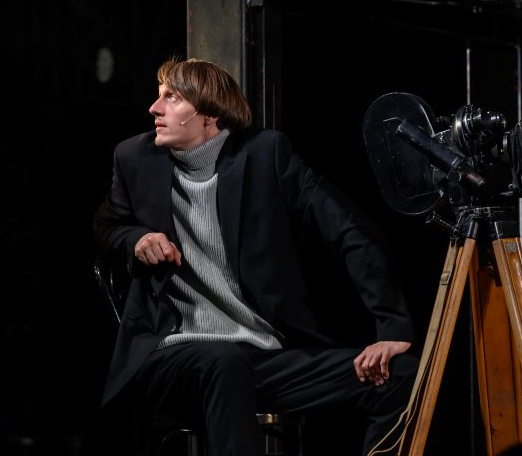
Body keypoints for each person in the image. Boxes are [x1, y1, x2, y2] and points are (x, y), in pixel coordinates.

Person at [94, 56, 417, 456]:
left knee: (401, 375)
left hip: (262, 357)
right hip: (172, 354)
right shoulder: (134, 158)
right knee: (224, 362)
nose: (154, 108)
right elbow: (107, 227)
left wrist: (392, 328)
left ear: (210, 113)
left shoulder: (266, 154)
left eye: (171, 98)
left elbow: (350, 229)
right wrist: (136, 239)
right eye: (158, 96)